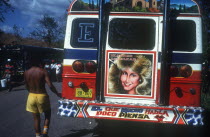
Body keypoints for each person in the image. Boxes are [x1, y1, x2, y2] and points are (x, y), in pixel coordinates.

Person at [24, 58, 61, 137]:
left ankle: (38, 135)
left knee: (36, 119)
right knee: (47, 115)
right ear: (39, 63)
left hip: (31, 96)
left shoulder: (26, 72)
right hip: (42, 96)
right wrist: (57, 93)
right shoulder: (43, 71)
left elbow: (26, 86)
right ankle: (45, 133)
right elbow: (50, 85)